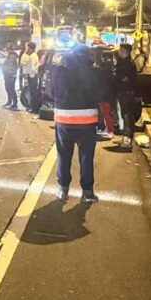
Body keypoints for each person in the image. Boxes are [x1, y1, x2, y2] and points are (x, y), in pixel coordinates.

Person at [52, 43, 103, 202]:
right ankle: (87, 193)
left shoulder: (58, 72)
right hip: (87, 120)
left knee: (64, 155)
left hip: (64, 119)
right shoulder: (95, 73)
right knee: (87, 156)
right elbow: (102, 94)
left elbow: (49, 93)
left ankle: (63, 190)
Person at [114, 42, 140, 147]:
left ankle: (128, 139)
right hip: (123, 92)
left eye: (121, 50)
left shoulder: (128, 64)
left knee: (128, 116)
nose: (119, 52)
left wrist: (119, 79)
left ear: (125, 51)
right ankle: (125, 137)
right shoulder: (123, 62)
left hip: (127, 92)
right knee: (125, 115)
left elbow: (125, 79)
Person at [94, 49, 117, 140]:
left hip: (103, 95)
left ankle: (110, 131)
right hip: (107, 94)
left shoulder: (103, 69)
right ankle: (106, 129)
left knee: (105, 113)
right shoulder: (112, 68)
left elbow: (101, 82)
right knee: (106, 113)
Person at [20, 41, 40, 113]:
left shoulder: (32, 57)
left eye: (28, 47)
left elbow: (32, 69)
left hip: (32, 77)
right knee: (32, 93)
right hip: (32, 76)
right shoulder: (34, 55)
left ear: (31, 48)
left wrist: (28, 75)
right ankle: (33, 107)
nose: (27, 49)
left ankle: (34, 109)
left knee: (33, 93)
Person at [2, 43, 20, 110]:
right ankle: (9, 102)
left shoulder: (12, 56)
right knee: (8, 89)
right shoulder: (10, 55)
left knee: (11, 89)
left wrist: (9, 73)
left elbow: (11, 66)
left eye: (7, 48)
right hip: (8, 74)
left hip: (10, 75)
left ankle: (14, 104)